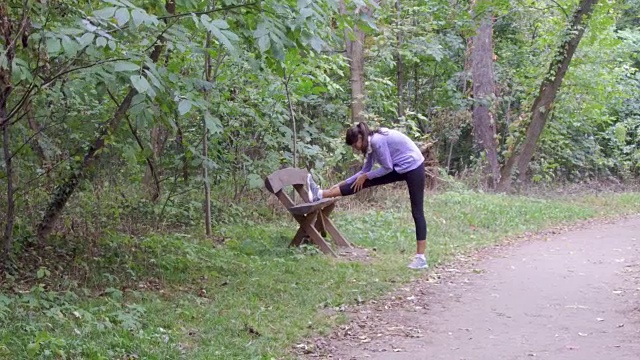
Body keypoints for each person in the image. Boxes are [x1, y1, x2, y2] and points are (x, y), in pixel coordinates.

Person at [307, 122, 428, 269]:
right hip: (400, 167)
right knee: (363, 181)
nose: (355, 149)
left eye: (354, 144)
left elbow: (387, 167)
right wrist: (342, 183)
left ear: (360, 137)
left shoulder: (377, 141)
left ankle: (421, 258)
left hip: (414, 166)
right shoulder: (370, 143)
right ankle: (320, 194)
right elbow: (365, 171)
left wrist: (366, 177)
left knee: (417, 210)